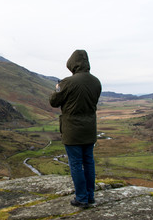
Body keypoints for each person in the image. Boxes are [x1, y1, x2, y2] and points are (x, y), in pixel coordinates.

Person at [49, 49, 102, 208]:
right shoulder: (96, 82)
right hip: (90, 129)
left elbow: (54, 102)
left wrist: (58, 87)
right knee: (89, 162)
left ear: (72, 64)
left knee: (76, 164)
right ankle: (90, 196)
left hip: (72, 131)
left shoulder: (67, 83)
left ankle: (81, 198)